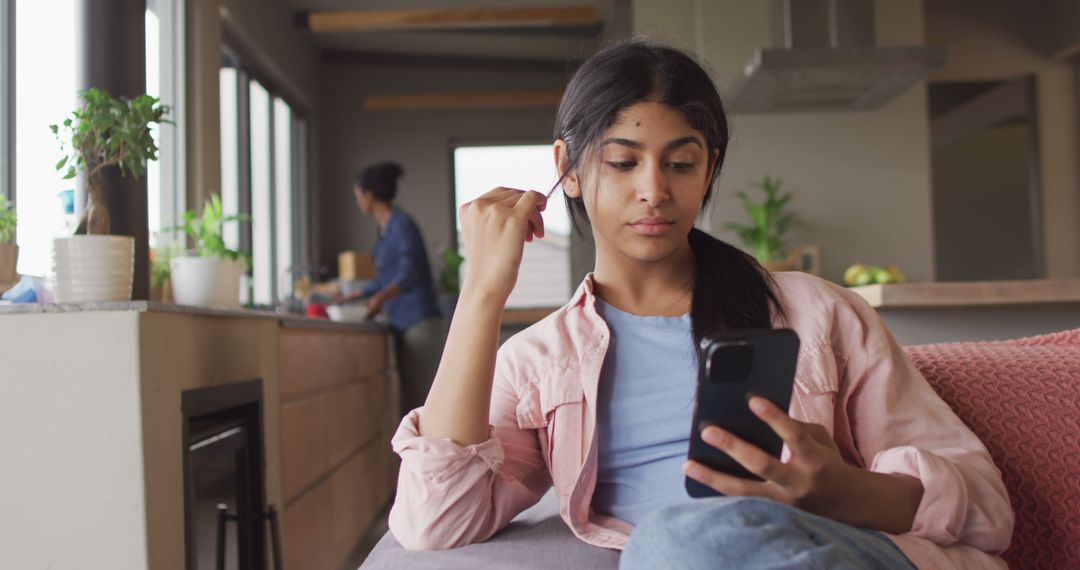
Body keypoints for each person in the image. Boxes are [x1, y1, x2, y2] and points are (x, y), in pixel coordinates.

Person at [386, 41, 1013, 569]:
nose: (654, 191)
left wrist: (846, 491)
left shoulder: (817, 315)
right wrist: (482, 294)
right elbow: (435, 518)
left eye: (681, 163)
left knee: (677, 536)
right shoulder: (540, 364)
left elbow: (985, 505)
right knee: (667, 543)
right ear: (567, 168)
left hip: (831, 549)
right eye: (623, 161)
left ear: (709, 168)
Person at [353, 162, 444, 413]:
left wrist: (380, 298)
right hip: (406, 324)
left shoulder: (401, 225)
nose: (358, 200)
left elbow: (409, 273)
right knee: (413, 402)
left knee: (424, 403)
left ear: (368, 195)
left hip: (419, 324)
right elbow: (387, 277)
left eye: (358, 194)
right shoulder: (385, 228)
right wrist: (353, 294)